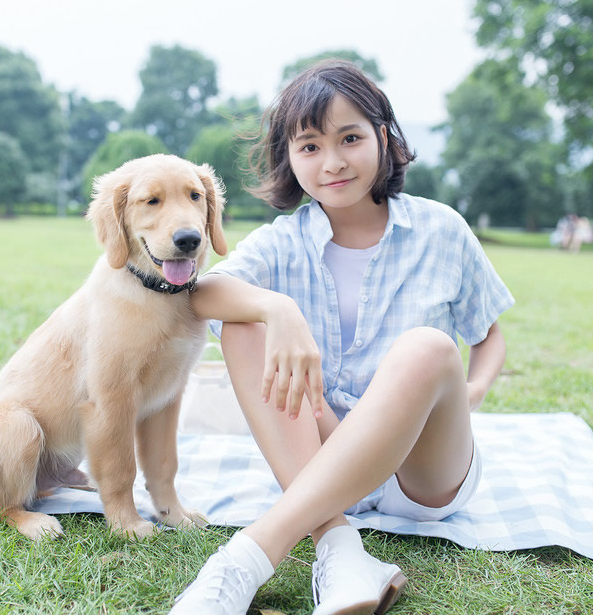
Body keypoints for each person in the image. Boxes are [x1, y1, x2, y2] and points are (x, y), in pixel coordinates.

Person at [173, 60, 514, 615]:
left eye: (349, 138)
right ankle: (339, 544)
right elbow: (203, 293)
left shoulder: (441, 229)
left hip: (422, 475)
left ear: (382, 137)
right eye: (309, 146)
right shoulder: (283, 242)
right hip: (325, 452)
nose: (331, 163)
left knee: (426, 347)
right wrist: (276, 307)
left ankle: (247, 557)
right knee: (244, 322)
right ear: (289, 156)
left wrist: (470, 392)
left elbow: (489, 335)